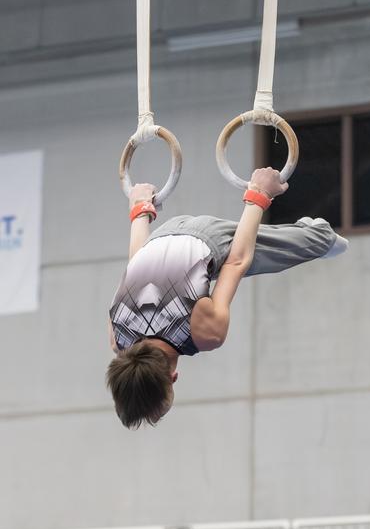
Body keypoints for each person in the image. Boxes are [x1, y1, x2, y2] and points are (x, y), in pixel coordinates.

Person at [107, 167, 348, 429]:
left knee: (273, 252)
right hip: (158, 238)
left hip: (206, 237)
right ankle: (316, 238)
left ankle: (320, 238)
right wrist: (139, 211)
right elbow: (136, 264)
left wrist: (259, 195)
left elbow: (236, 261)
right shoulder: (117, 337)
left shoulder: (204, 333)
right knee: (197, 277)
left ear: (172, 378)